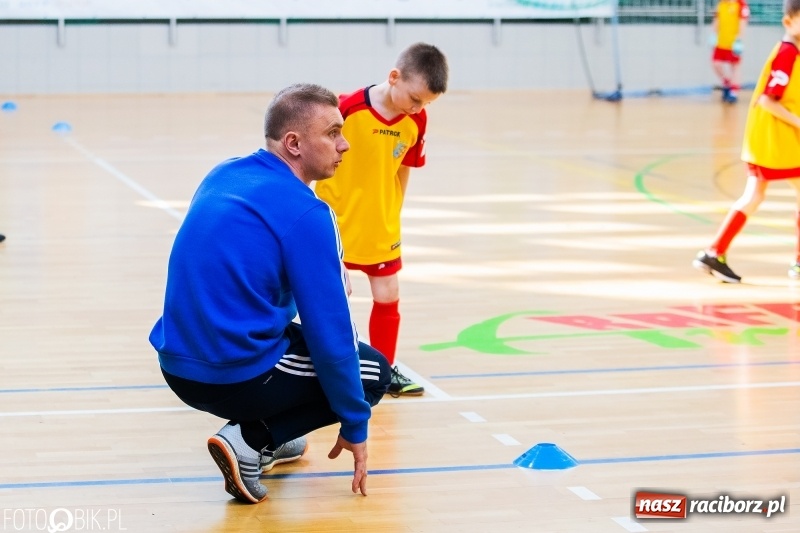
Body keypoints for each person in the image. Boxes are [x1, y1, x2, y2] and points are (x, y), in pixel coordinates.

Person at [149, 83, 392, 504]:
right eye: (332, 133)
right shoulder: (309, 214)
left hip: (175, 360)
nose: (345, 144)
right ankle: (251, 439)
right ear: (294, 143)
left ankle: (276, 439)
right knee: (372, 372)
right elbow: (333, 339)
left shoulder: (224, 172)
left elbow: (239, 264)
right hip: (228, 371)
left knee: (303, 342)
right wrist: (355, 426)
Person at [314, 43, 449, 397]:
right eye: (415, 98)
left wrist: (393, 211)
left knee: (388, 294)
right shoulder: (346, 108)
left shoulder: (415, 120)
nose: (419, 108)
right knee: (331, 295)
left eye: (426, 104)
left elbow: (404, 168)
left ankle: (383, 372)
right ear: (394, 78)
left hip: (380, 221)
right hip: (335, 219)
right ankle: (330, 367)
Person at [694, 0, 800, 282]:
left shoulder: (792, 51)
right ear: (788, 22)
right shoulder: (787, 53)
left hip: (772, 138)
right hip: (775, 139)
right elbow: (768, 99)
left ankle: (715, 252)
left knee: (756, 195)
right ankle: (716, 252)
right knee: (754, 196)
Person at [711, 0, 750, 103]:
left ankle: (734, 92)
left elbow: (743, 23)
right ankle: (727, 82)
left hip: (733, 42)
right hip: (721, 42)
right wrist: (714, 35)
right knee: (716, 64)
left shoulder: (741, 5)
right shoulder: (721, 4)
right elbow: (716, 20)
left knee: (735, 66)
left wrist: (739, 40)